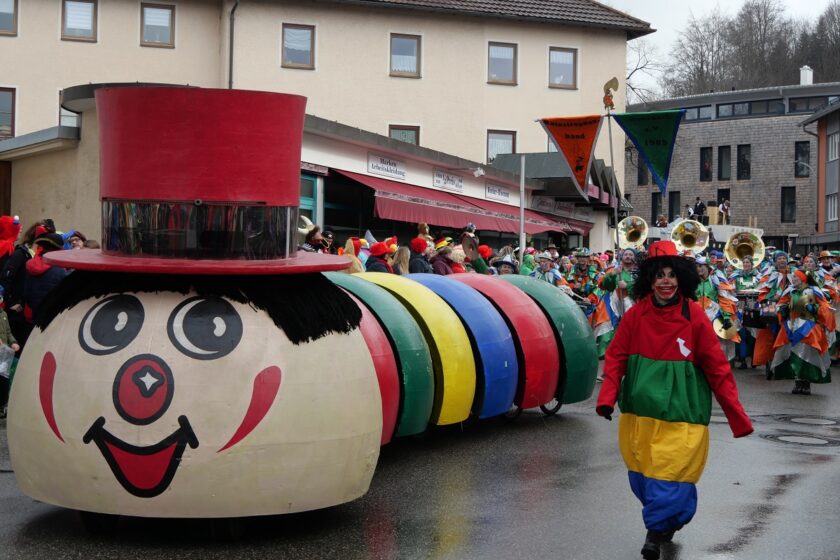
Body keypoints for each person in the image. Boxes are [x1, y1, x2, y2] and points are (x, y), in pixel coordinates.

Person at [596, 240, 753, 560]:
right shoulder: (636, 314)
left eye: (671, 275)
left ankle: (654, 533)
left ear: (681, 278)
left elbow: (717, 368)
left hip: (684, 410)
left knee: (670, 474)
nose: (665, 281)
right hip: (639, 413)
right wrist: (607, 398)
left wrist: (737, 416)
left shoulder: (695, 316)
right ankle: (667, 519)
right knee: (643, 478)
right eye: (659, 276)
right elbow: (615, 357)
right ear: (650, 280)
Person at [770, 269, 832, 394]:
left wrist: (814, 308)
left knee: (807, 353)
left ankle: (806, 382)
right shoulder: (789, 290)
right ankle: (797, 382)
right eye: (793, 277)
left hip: (808, 325)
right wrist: (782, 309)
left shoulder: (813, 291)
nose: (793, 279)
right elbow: (781, 303)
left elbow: (825, 307)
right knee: (791, 352)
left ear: (803, 278)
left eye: (796, 277)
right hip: (791, 325)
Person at [592, 248, 639, 359]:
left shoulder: (638, 273)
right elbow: (604, 285)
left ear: (635, 257)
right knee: (607, 331)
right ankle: (606, 358)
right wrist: (613, 274)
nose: (628, 256)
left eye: (630, 254)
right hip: (612, 305)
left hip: (631, 305)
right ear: (621, 257)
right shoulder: (614, 270)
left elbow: (642, 290)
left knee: (629, 332)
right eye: (626, 254)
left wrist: (628, 286)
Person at [696, 255, 740, 361]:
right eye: (697, 266)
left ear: (708, 267)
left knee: (719, 346)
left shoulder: (716, 280)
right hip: (697, 318)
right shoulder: (693, 281)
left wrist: (726, 317)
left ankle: (720, 368)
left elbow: (725, 299)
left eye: (702, 266)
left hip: (714, 316)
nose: (699, 268)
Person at [24, 231, 70, 321]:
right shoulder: (60, 271)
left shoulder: (30, 265)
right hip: (51, 317)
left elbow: (26, 292)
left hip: (34, 312)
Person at [730, 255, 762, 369]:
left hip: (754, 307)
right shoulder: (736, 276)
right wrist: (736, 295)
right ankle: (743, 360)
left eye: (748, 263)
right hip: (741, 306)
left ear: (752, 264)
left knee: (753, 334)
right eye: (744, 263)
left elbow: (762, 290)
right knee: (742, 333)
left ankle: (754, 359)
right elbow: (732, 291)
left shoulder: (758, 276)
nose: (746, 265)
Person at [0, 286, 20, 419]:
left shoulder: (3, 314)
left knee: (4, 379)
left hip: (4, 354)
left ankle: (3, 404)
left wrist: (13, 342)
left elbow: (8, 332)